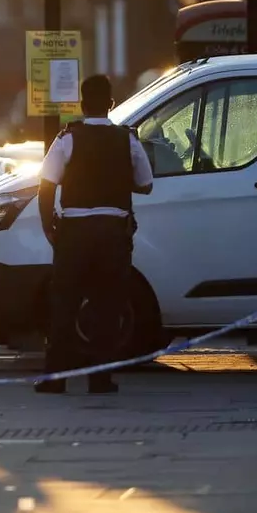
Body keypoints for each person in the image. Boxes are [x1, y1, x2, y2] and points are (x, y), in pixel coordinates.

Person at [34, 75, 154, 394]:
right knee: (107, 305)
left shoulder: (68, 138)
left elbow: (46, 185)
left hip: (74, 233)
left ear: (83, 105)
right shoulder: (126, 139)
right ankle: (101, 378)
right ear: (111, 104)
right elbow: (146, 183)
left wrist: (50, 225)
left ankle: (55, 378)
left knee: (65, 304)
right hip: (113, 233)